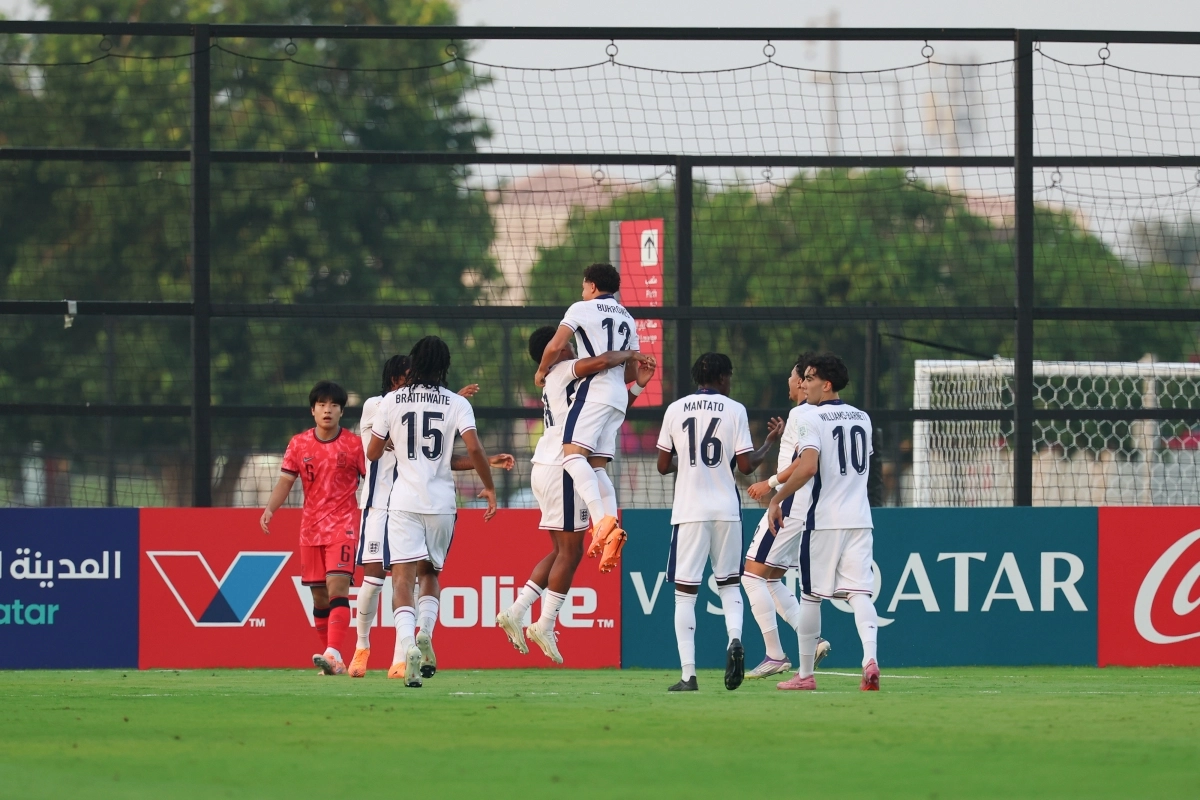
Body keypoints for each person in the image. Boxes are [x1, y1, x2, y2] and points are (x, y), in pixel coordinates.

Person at [497, 327, 655, 665]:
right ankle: (545, 623)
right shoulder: (563, 372)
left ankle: (517, 611)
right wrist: (631, 353)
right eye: (565, 344)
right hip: (563, 466)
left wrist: (638, 383)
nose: (569, 346)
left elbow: (611, 401)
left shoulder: (569, 380)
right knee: (571, 552)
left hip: (551, 463)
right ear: (551, 354)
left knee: (561, 551)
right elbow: (603, 363)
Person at [349, 356, 507, 679]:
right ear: (395, 379)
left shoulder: (407, 404)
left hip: (406, 503)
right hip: (380, 504)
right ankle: (362, 646)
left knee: (406, 578)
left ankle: (399, 658)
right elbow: (380, 446)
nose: (415, 381)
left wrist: (484, 458)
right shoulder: (377, 405)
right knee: (373, 580)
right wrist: (449, 404)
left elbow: (438, 453)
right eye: (408, 376)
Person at [655, 353, 781, 692]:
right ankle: (736, 640)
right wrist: (768, 443)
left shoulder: (675, 409)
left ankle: (688, 675)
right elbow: (745, 466)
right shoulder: (735, 409)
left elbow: (663, 466)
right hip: (726, 509)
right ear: (722, 377)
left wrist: (692, 464)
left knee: (685, 595)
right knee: (728, 586)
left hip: (690, 511)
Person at [766, 354, 880, 692]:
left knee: (811, 596)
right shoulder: (863, 418)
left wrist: (776, 497)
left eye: (811, 378)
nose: (805, 384)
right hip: (860, 518)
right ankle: (870, 659)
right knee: (859, 594)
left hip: (824, 520)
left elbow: (808, 467)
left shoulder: (810, 418)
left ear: (826, 384)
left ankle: (804, 674)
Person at [534, 263, 641, 573]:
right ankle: (612, 530)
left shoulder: (582, 308)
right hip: (618, 397)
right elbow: (631, 371)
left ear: (592, 286)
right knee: (596, 467)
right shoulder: (628, 318)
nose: (582, 290)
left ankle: (602, 522)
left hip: (594, 391)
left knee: (571, 458)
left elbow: (555, 345)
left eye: (583, 285)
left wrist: (541, 371)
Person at [260, 380, 365, 676]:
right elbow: (285, 481)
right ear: (313, 410)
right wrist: (270, 509)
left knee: (337, 587)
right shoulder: (298, 444)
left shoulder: (354, 445)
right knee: (319, 596)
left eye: (333, 405)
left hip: (343, 526)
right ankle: (334, 659)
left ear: (342, 411)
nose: (327, 410)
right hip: (310, 530)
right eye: (322, 405)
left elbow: (374, 480)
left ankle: (331, 652)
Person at [743, 357, 832, 679]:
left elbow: (802, 463)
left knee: (751, 574)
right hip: (814, 508)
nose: (795, 383)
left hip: (793, 504)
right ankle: (814, 639)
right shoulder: (823, 414)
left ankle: (775, 654)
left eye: (798, 377)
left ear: (803, 381)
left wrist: (770, 485)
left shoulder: (801, 413)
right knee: (770, 578)